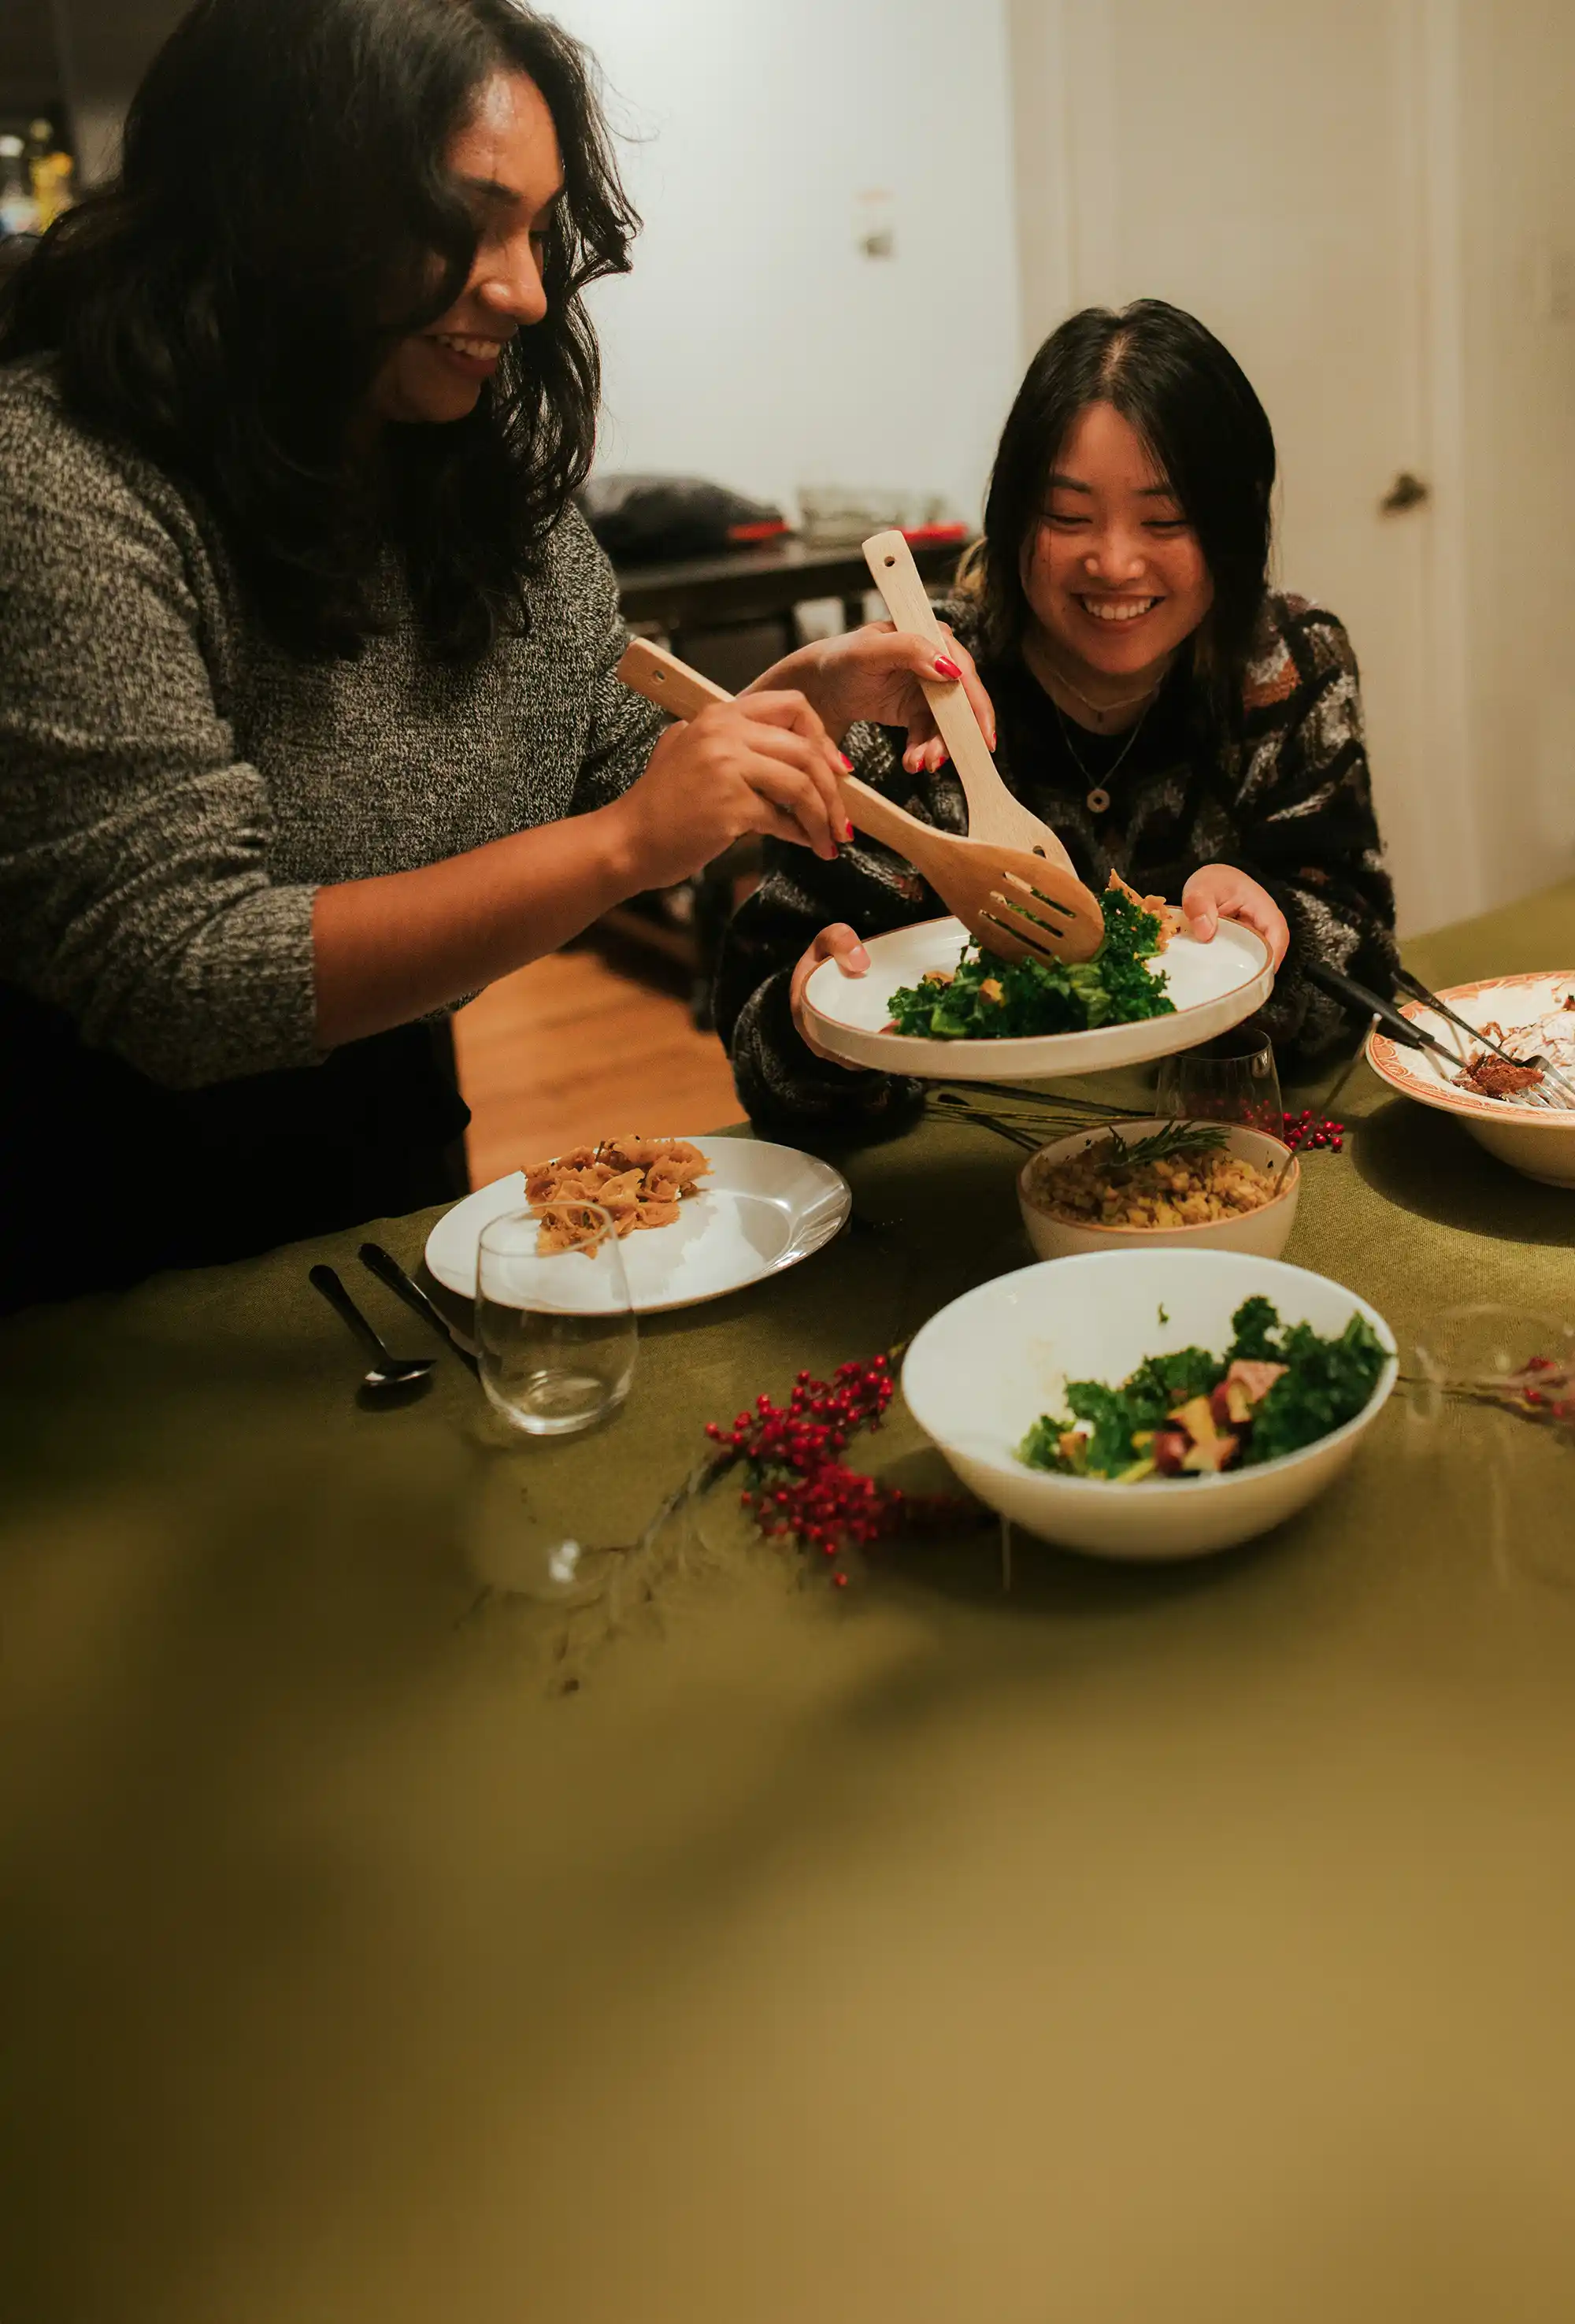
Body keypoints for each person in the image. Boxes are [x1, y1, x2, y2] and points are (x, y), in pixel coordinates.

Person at [0, 0, 991, 1310]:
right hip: (103, 1249)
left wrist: (791, 704)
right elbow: (181, 970)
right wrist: (625, 851)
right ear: (281, 200)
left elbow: (600, 746)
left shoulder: (449, 463)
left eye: (536, 231)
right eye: (467, 225)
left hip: (391, 1164)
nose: (525, 290)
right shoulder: (60, 480)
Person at [716, 298, 1399, 1133]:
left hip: (1199, 1144)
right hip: (960, 1164)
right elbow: (762, 1046)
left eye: (1164, 519)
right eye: (1067, 517)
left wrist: (1275, 924)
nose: (1112, 561)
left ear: (1230, 525)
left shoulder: (1285, 663)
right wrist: (814, 1028)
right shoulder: (908, 691)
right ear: (1011, 519)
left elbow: (1362, 956)